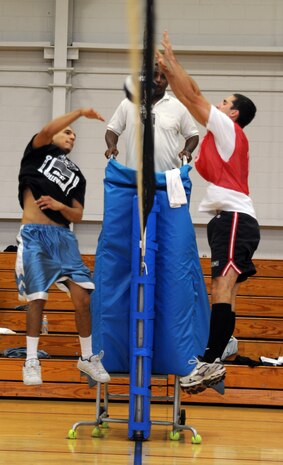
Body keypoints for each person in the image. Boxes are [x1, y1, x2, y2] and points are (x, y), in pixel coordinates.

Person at [157, 32, 260, 393]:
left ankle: (210, 360)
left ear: (233, 113)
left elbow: (192, 95)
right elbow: (191, 94)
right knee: (223, 290)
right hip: (226, 221)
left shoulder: (228, 129)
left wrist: (171, 64)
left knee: (222, 286)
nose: (218, 103)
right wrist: (172, 69)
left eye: (225, 101)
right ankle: (213, 360)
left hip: (235, 219)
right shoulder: (221, 133)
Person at [16, 108, 111, 386]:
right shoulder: (37, 153)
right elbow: (47, 130)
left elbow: (78, 214)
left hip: (64, 239)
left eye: (74, 135)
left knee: (83, 297)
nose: (72, 136)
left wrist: (60, 206)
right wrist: (79, 113)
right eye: (67, 132)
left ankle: (86, 357)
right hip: (35, 234)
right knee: (38, 297)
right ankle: (31, 360)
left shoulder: (77, 175)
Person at [104, 64, 199, 172]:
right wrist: (111, 146)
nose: (158, 80)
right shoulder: (128, 104)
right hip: (135, 177)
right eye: (154, 75)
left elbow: (193, 135)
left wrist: (187, 151)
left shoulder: (178, 107)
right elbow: (112, 130)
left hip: (167, 178)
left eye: (163, 77)